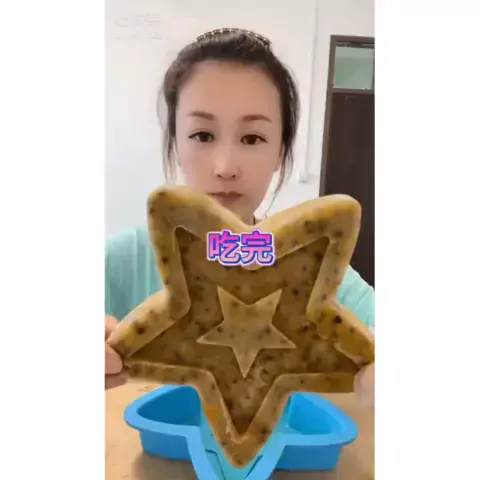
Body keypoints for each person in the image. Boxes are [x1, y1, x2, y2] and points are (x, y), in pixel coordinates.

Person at [105, 28, 375, 405]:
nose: (225, 167)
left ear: (281, 153)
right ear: (176, 144)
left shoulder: (320, 274)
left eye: (252, 138)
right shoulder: (119, 263)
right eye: (202, 135)